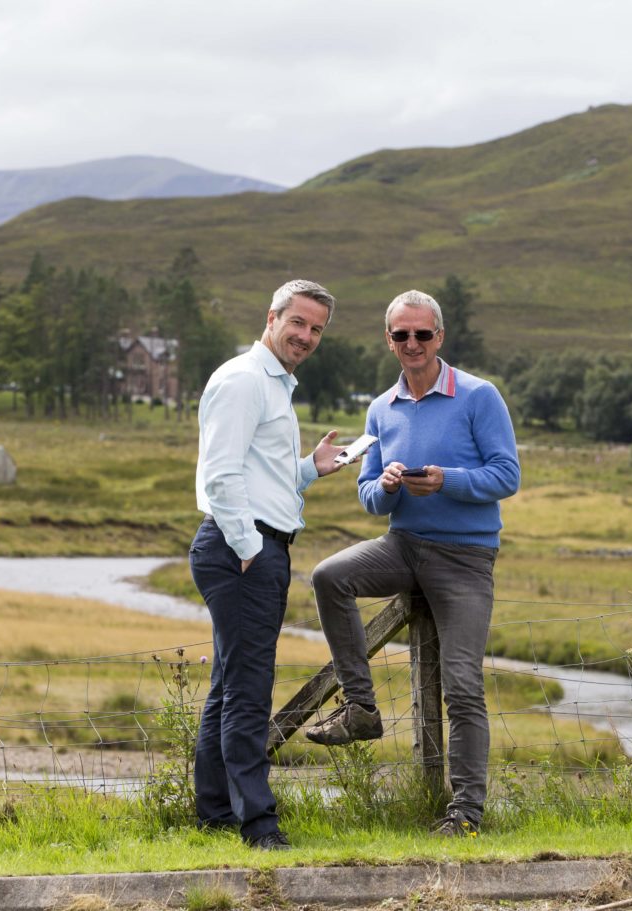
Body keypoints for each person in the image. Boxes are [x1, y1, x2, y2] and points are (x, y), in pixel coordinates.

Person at [306, 289, 520, 837]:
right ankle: (361, 709)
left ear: (439, 337)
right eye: (401, 335)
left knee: (462, 683)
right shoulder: (381, 407)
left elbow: (506, 476)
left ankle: (466, 815)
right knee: (329, 576)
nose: (412, 344)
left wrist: (448, 479)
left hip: (466, 557)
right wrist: (389, 484)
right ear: (389, 341)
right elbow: (368, 495)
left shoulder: (478, 396)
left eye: (422, 334)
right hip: (403, 544)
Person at [191, 278, 346, 851]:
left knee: (229, 684)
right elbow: (221, 474)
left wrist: (309, 468)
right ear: (272, 317)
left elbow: (260, 473)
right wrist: (249, 547)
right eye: (298, 322)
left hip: (255, 545)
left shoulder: (273, 385)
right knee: (249, 691)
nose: (305, 336)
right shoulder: (242, 381)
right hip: (243, 551)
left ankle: (213, 814)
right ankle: (259, 827)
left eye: (316, 329)